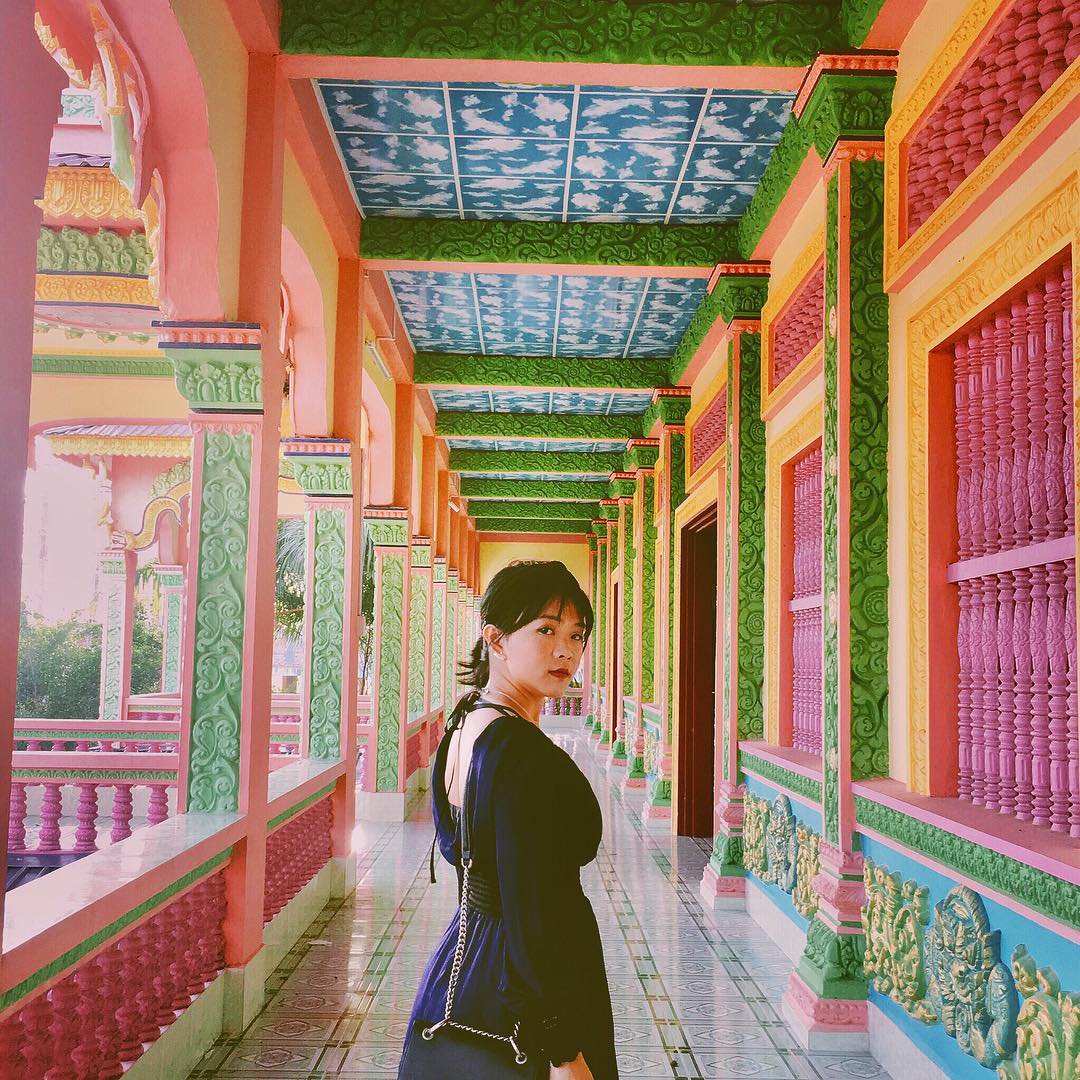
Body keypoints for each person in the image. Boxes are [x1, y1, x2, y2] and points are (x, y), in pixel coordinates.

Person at [399, 560, 618, 1080]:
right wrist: (564, 1052)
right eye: (545, 630)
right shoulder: (519, 752)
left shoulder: (468, 720)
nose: (565, 650)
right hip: (527, 986)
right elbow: (531, 908)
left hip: (468, 957)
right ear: (495, 639)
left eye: (576, 635)